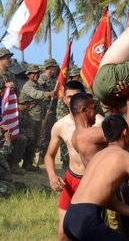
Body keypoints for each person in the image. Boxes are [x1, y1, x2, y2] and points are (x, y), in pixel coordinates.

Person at [63, 115, 129, 241]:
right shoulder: (128, 160)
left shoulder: (98, 156)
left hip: (71, 217)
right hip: (86, 220)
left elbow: (107, 201)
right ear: (125, 132)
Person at [44, 81, 104, 241]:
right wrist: (51, 175)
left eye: (76, 96)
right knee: (63, 234)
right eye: (69, 97)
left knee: (90, 232)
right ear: (64, 99)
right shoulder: (60, 125)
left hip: (92, 181)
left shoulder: (99, 122)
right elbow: (49, 155)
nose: (72, 100)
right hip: (71, 180)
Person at [71, 84, 129, 166]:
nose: (96, 112)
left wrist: (113, 109)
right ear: (84, 110)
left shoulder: (75, 135)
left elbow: (117, 128)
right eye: (94, 108)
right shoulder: (90, 134)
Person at [19, 64, 55, 171]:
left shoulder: (38, 85)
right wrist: (48, 94)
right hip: (30, 118)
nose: (36, 75)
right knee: (29, 140)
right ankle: (23, 163)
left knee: (35, 141)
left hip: (38, 117)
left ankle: (29, 163)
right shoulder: (27, 86)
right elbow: (36, 94)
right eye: (33, 73)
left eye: (37, 73)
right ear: (28, 75)